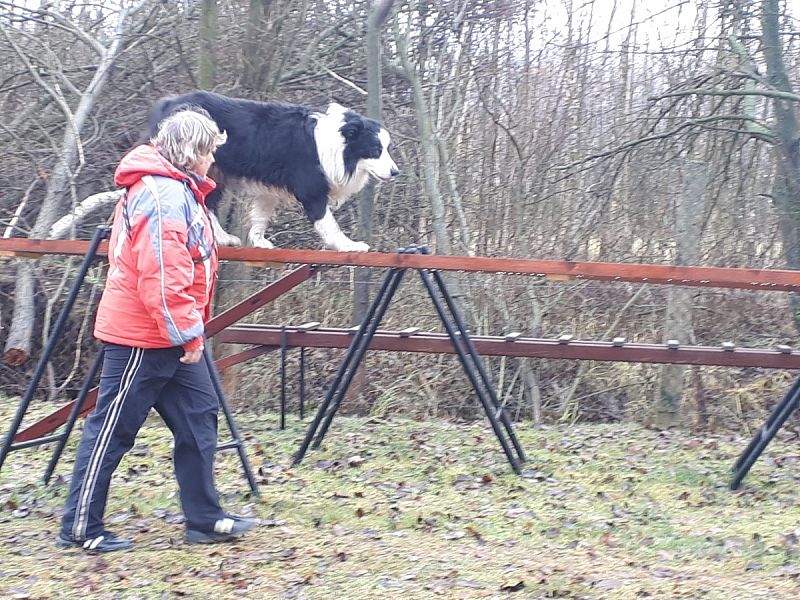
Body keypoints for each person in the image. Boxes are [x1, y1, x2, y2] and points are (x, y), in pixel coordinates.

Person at [57, 108, 257, 553]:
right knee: (112, 430)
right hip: (143, 336)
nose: (213, 162)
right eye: (209, 152)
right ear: (193, 152)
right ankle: (79, 528)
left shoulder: (180, 191)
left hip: (173, 333)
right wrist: (188, 332)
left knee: (200, 419)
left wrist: (187, 332)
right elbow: (163, 273)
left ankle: (204, 519)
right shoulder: (164, 196)